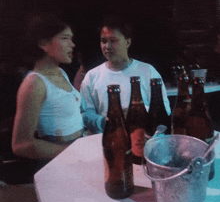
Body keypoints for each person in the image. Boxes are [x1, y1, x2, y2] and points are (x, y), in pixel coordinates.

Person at [12, 13, 84, 165]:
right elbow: (21, 145)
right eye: (65, 38)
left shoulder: (61, 72)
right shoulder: (35, 84)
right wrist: (70, 152)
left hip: (77, 154)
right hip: (60, 161)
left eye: (71, 38)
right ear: (44, 44)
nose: (72, 44)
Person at [80, 15, 171, 134]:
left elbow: (165, 109)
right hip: (109, 140)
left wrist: (137, 113)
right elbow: (85, 113)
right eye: (104, 41)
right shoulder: (92, 76)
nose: (107, 46)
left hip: (143, 138)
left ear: (127, 42)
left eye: (113, 41)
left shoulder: (147, 71)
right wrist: (106, 121)